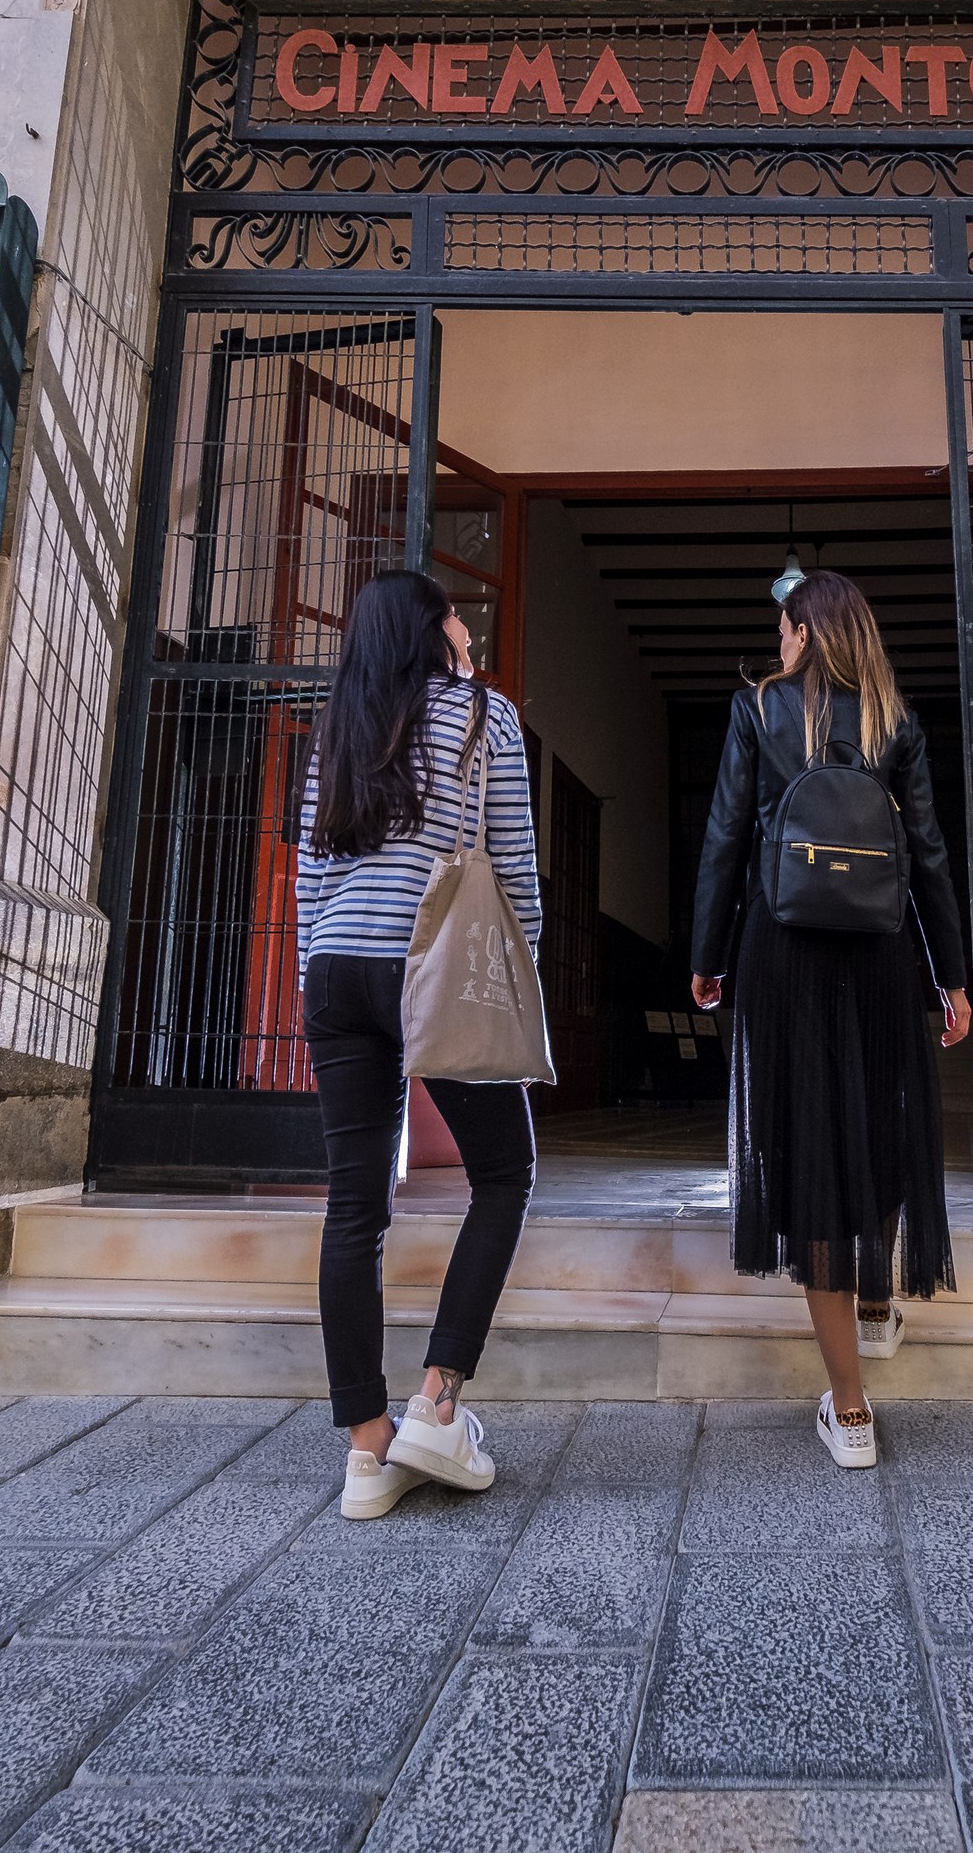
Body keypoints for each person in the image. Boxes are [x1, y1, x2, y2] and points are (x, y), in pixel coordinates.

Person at [689, 570, 971, 1471]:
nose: (777, 644)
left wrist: (706, 954)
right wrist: (951, 977)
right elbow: (927, 854)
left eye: (783, 629)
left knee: (810, 1151)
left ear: (807, 632)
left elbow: (725, 836)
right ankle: (875, 1303)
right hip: (879, 956)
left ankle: (850, 1411)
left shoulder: (758, 709)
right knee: (878, 1126)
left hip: (785, 951)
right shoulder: (894, 718)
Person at [297, 569, 542, 1520]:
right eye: (455, 617)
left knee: (353, 1208)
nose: (467, 629)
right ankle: (437, 1404)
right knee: (506, 1174)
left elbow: (312, 869)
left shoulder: (339, 725)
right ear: (428, 630)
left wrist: (314, 978)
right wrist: (519, 985)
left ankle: (367, 1450)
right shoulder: (483, 715)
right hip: (428, 964)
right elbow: (511, 863)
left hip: (335, 970)